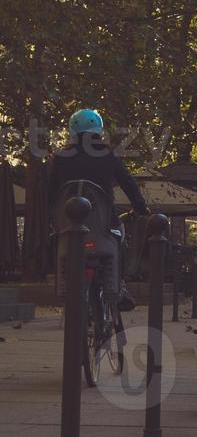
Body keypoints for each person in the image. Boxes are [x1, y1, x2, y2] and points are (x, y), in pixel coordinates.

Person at [48, 109, 150, 316]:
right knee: (120, 240)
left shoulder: (58, 159)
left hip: (68, 227)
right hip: (105, 225)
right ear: (99, 130)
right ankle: (119, 286)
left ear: (72, 131)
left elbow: (49, 194)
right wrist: (141, 208)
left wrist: (52, 218)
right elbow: (129, 184)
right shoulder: (108, 156)